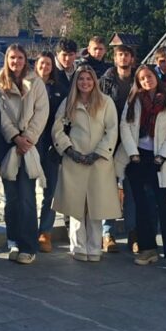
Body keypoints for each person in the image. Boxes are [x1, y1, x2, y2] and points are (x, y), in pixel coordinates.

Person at [116, 65, 166, 273]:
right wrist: (132, 152)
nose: (147, 81)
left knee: (164, 207)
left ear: (156, 77)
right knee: (141, 205)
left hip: (159, 159)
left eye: (149, 77)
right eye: (142, 79)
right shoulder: (133, 100)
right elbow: (125, 126)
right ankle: (148, 248)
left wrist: (161, 156)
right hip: (136, 157)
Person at [52, 65, 121, 262]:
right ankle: (78, 246)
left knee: (96, 207)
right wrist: (68, 150)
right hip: (75, 159)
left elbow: (112, 130)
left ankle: (94, 247)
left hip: (98, 162)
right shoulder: (68, 102)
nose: (85, 82)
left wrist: (99, 153)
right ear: (76, 82)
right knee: (76, 206)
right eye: (81, 79)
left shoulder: (106, 102)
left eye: (89, 79)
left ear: (95, 81)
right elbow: (57, 128)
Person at [0, 44, 49, 265]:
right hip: (6, 146)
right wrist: (14, 137)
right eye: (12, 58)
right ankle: (13, 241)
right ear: (6, 60)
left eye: (19, 58)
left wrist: (27, 138)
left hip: (29, 145)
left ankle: (28, 245)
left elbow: (41, 112)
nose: (15, 62)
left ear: (25, 59)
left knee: (27, 197)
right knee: (11, 198)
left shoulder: (36, 83)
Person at [98, 44, 136, 253]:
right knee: (109, 189)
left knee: (131, 189)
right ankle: (108, 233)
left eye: (127, 55)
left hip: (132, 141)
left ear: (132, 58)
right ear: (115, 58)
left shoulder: (138, 81)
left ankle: (133, 232)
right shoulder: (104, 82)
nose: (123, 58)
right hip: (110, 142)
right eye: (120, 55)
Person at [34, 51, 67, 253]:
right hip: (30, 143)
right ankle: (27, 230)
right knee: (26, 191)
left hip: (51, 145)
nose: (45, 67)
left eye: (48, 64)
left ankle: (45, 231)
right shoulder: (27, 86)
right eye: (41, 63)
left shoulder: (60, 89)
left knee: (51, 190)